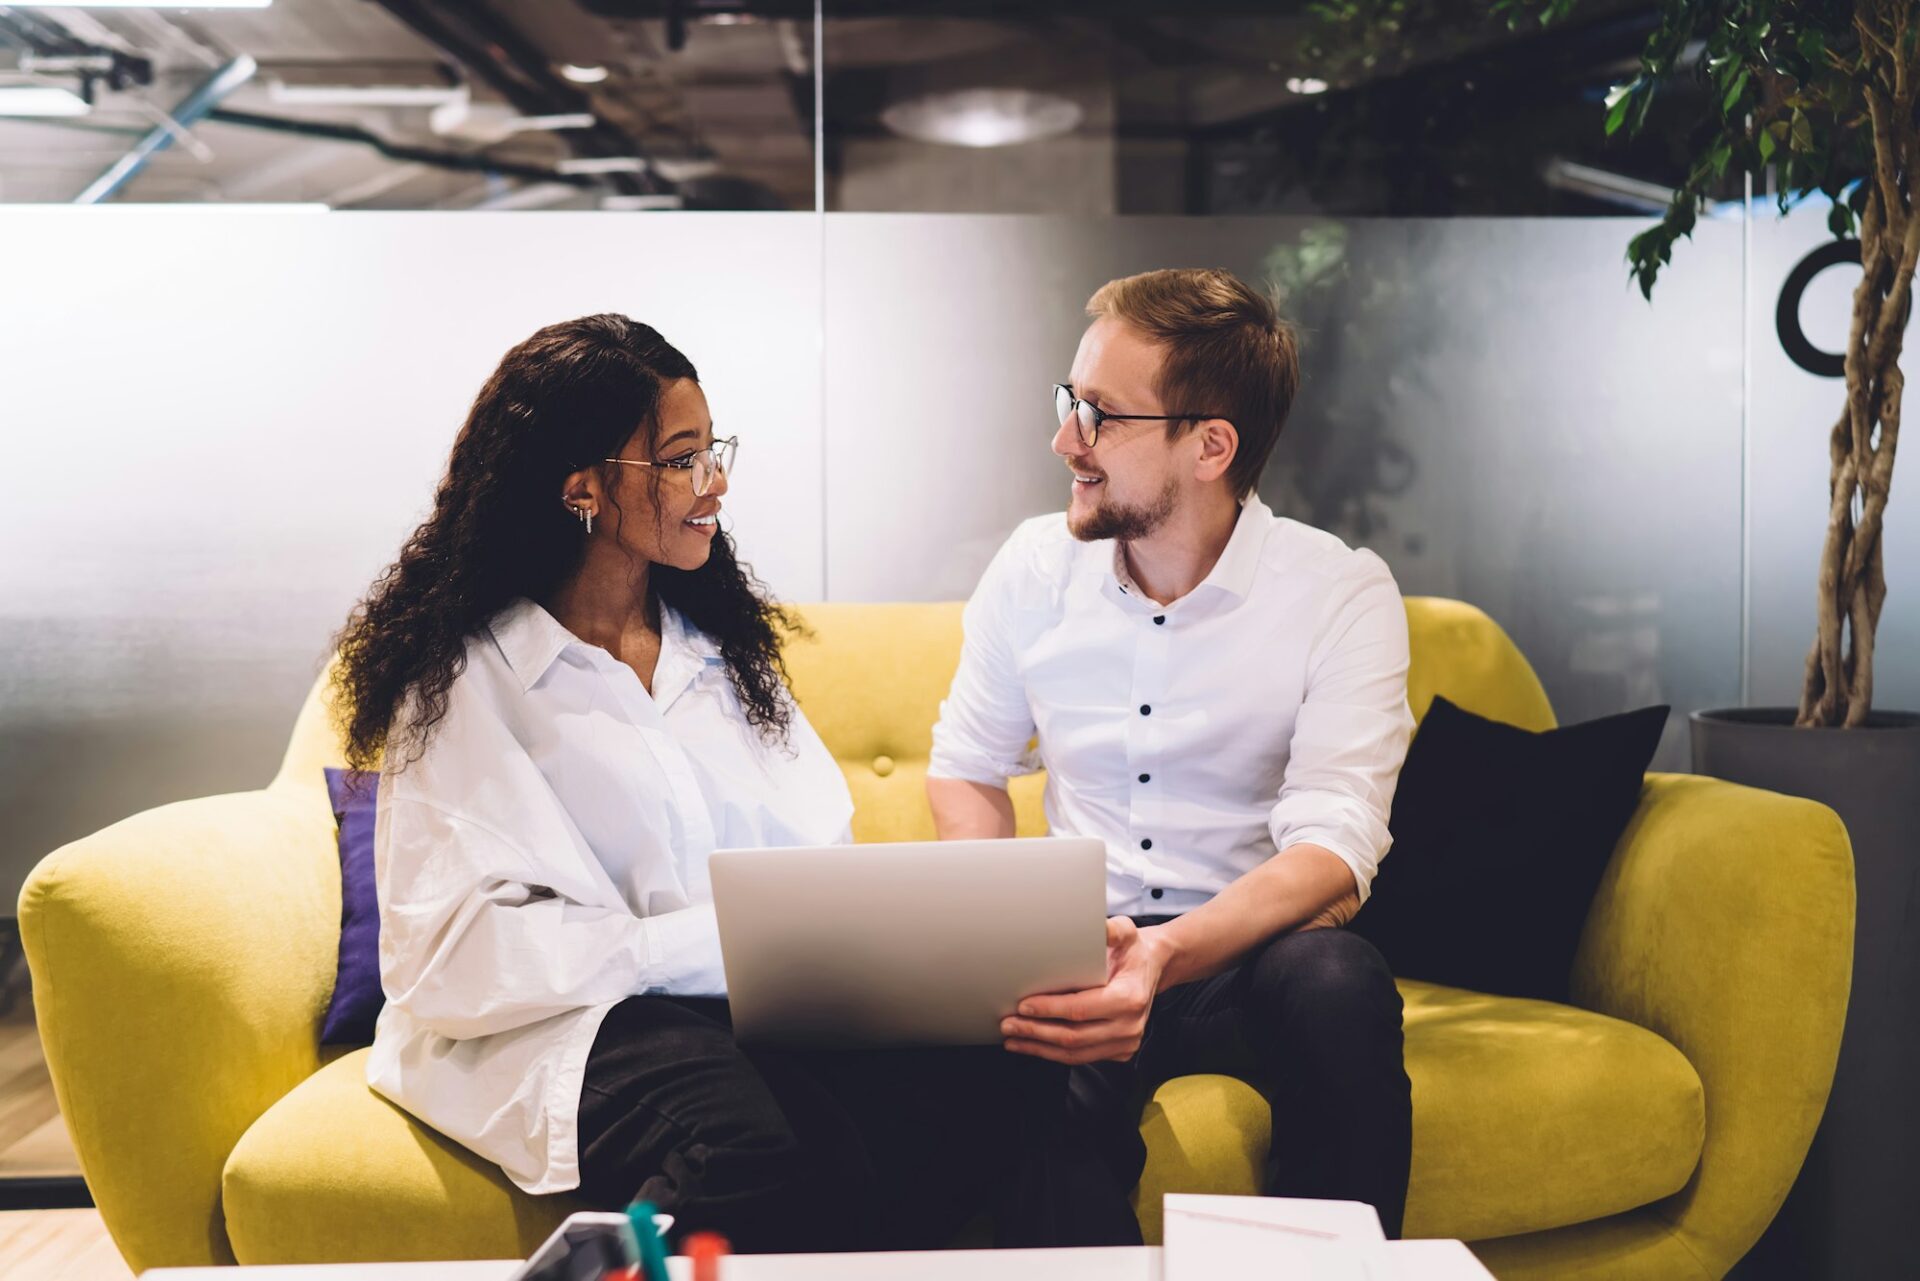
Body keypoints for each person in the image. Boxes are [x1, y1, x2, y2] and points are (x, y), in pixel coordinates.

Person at [330, 314, 1098, 1253]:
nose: (716, 483)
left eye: (713, 450)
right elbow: (454, 963)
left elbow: (815, 855)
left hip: (735, 1008)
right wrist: (705, 950)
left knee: (1004, 1075)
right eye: (682, 460)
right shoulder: (461, 684)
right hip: (554, 1028)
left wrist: (835, 955)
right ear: (584, 491)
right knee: (753, 1145)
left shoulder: (719, 653)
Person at [927, 269, 1417, 1239]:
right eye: (1070, 402)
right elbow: (968, 768)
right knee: (1024, 1061)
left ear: (1210, 444)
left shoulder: (1339, 592)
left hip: (1250, 952)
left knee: (1340, 984)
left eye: (1101, 415)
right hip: (1085, 945)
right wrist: (1013, 933)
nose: (1064, 439)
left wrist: (1163, 956)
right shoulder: (1033, 569)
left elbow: (1332, 848)